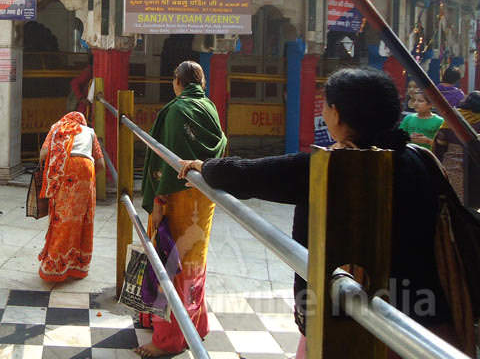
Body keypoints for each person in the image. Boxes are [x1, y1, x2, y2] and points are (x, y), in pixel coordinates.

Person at [177, 67, 456, 358]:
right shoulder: (420, 160)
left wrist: (204, 167)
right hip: (427, 318)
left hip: (352, 324)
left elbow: (249, 176)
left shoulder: (336, 166)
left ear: (337, 113)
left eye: (326, 105)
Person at [135, 61, 227, 357]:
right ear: (201, 83)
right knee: (193, 261)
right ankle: (195, 325)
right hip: (204, 196)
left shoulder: (176, 110)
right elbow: (220, 144)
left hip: (177, 198)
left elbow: (165, 160)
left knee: (169, 262)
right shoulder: (210, 107)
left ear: (177, 82)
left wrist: (158, 202)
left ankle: (167, 339)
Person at [37, 111, 104, 282]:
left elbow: (43, 154)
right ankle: (78, 266)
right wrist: (87, 180)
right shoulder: (89, 132)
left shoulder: (56, 128)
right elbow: (101, 164)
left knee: (62, 218)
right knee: (82, 219)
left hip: (64, 170)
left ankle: (54, 267)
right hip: (86, 169)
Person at [433, 91, 480, 203]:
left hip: (450, 166)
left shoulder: (452, 119)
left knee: (451, 201)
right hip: (473, 168)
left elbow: (440, 144)